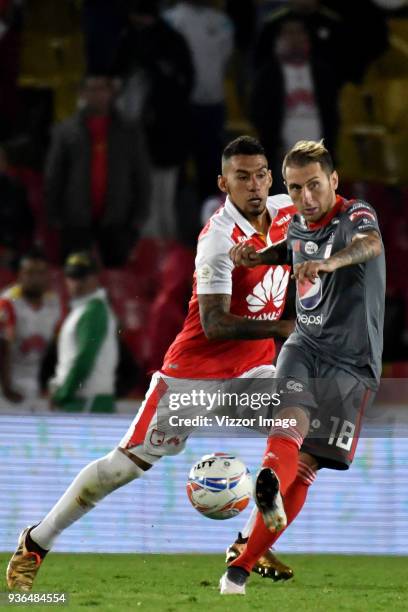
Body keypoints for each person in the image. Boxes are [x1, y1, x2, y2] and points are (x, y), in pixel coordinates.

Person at [6, 135, 297, 591]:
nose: (255, 184)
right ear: (224, 183)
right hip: (194, 376)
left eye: (262, 173)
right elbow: (216, 323)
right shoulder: (217, 239)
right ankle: (37, 541)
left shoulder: (287, 210)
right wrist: (284, 330)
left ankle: (248, 543)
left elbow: (329, 214)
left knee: (302, 429)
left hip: (254, 370)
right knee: (121, 468)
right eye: (242, 176)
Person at [220, 139, 385, 594]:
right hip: (304, 344)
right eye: (294, 189)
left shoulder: (356, 215)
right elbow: (290, 247)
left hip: (351, 364)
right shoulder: (295, 223)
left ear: (333, 181)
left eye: (314, 186)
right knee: (291, 418)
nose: (305, 198)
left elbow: (370, 245)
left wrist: (330, 262)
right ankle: (267, 485)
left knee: (309, 462)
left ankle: (243, 561)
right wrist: (258, 255)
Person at [45, 74, 151, 267]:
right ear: (82, 94)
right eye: (92, 89)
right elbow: (54, 176)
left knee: (118, 277)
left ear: (111, 93)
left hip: (118, 218)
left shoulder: (129, 131)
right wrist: (54, 214)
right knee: (76, 276)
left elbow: (141, 175)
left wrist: (139, 214)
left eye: (103, 89)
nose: (98, 95)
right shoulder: (66, 131)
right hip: (75, 219)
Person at [111, 0, 194, 239]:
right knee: (144, 195)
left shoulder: (170, 43)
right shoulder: (128, 40)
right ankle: (152, 244)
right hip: (140, 135)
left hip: (166, 133)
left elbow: (184, 86)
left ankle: (164, 244)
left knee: (163, 196)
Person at [251, 18, 338, 194]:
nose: (295, 38)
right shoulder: (268, 75)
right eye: (289, 33)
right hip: (282, 157)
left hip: (319, 156)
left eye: (299, 33)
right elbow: (258, 114)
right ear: (278, 40)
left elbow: (332, 115)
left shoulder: (322, 73)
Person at [48, 252, 118, 413]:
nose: (76, 283)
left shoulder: (94, 310)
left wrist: (63, 394)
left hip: (87, 401)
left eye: (82, 277)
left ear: (95, 278)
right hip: (83, 399)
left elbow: (84, 358)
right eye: (71, 277)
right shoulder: (83, 309)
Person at [0, 250, 62, 407]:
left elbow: (58, 348)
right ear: (20, 275)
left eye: (41, 273)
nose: (35, 278)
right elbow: (2, 347)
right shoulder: (7, 302)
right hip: (9, 388)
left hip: (37, 386)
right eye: (30, 273)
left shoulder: (54, 304)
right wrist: (6, 387)